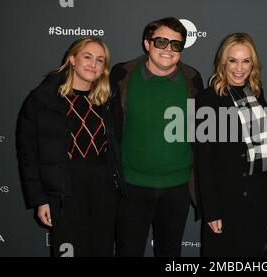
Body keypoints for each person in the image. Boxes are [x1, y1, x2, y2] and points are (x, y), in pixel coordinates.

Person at [17, 36, 124, 257]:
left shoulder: (108, 97)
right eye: (87, 57)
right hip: (64, 190)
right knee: (68, 252)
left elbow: (116, 143)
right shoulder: (42, 100)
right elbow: (28, 155)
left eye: (100, 60)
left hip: (103, 188)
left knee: (102, 251)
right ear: (72, 59)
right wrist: (40, 199)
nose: (93, 64)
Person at [110, 17, 204, 257]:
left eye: (176, 44)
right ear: (147, 43)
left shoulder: (193, 79)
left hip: (177, 188)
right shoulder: (122, 75)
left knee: (170, 254)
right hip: (131, 186)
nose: (168, 49)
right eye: (161, 42)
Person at [195, 33, 267, 257]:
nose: (240, 68)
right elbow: (204, 161)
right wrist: (211, 211)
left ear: (253, 64)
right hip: (225, 203)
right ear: (223, 62)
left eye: (246, 61)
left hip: (257, 203)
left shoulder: (257, 96)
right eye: (233, 60)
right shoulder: (207, 99)